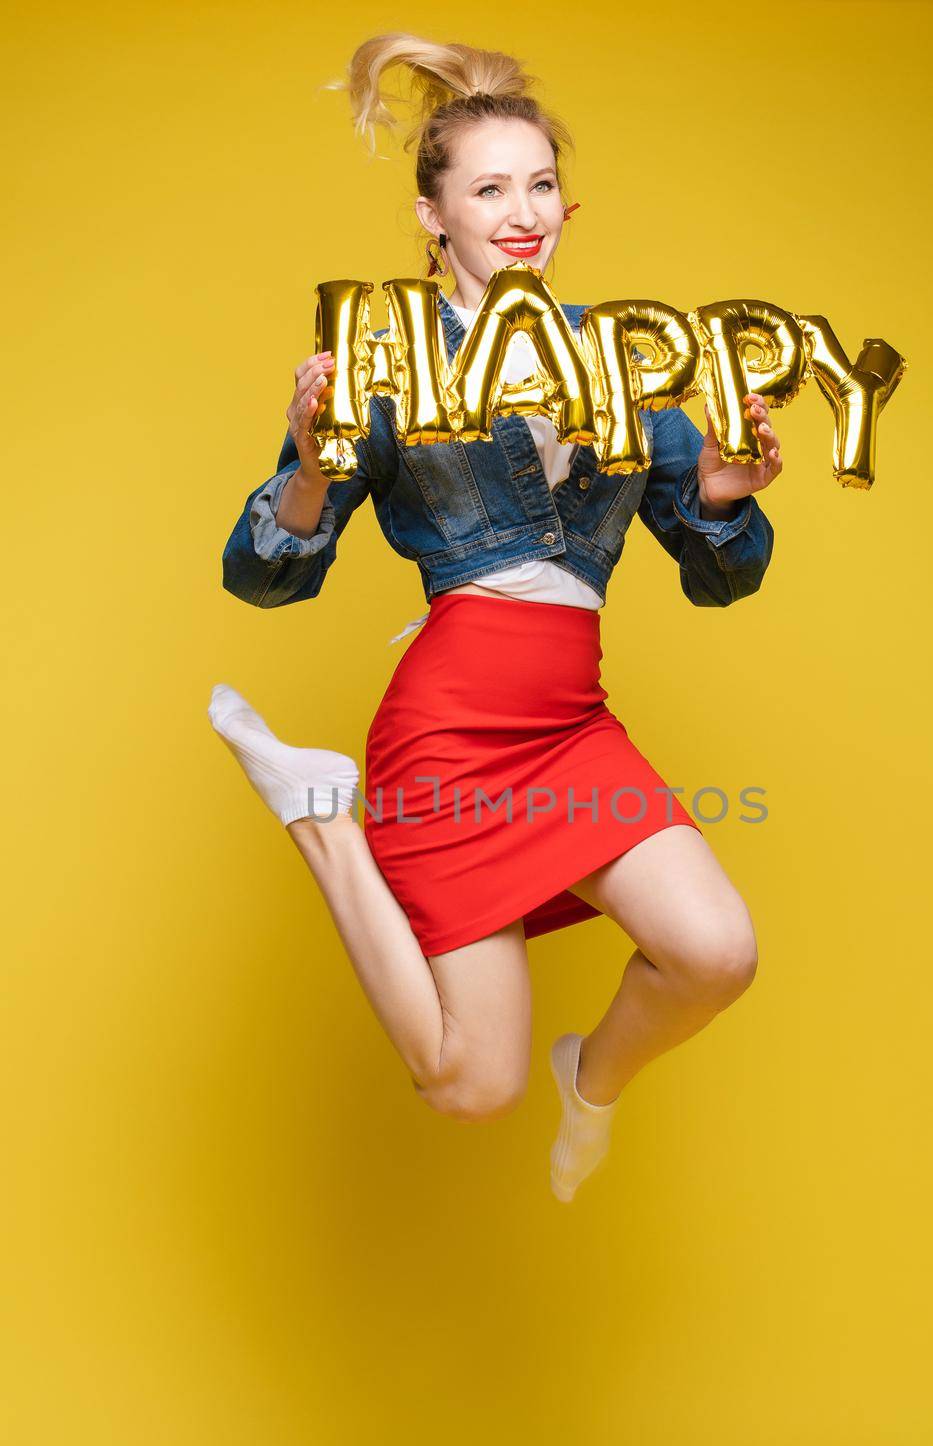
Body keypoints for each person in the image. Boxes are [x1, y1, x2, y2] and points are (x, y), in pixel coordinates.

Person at [209, 32, 784, 1202]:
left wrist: (719, 502)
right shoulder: (386, 364)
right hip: (453, 729)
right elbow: (263, 573)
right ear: (435, 217)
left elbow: (717, 575)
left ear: (566, 204)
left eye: (536, 187)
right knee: (471, 1086)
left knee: (716, 951)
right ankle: (320, 816)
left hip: (569, 724)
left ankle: (594, 1082)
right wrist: (312, 470)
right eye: (486, 189)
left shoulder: (630, 368)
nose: (519, 214)